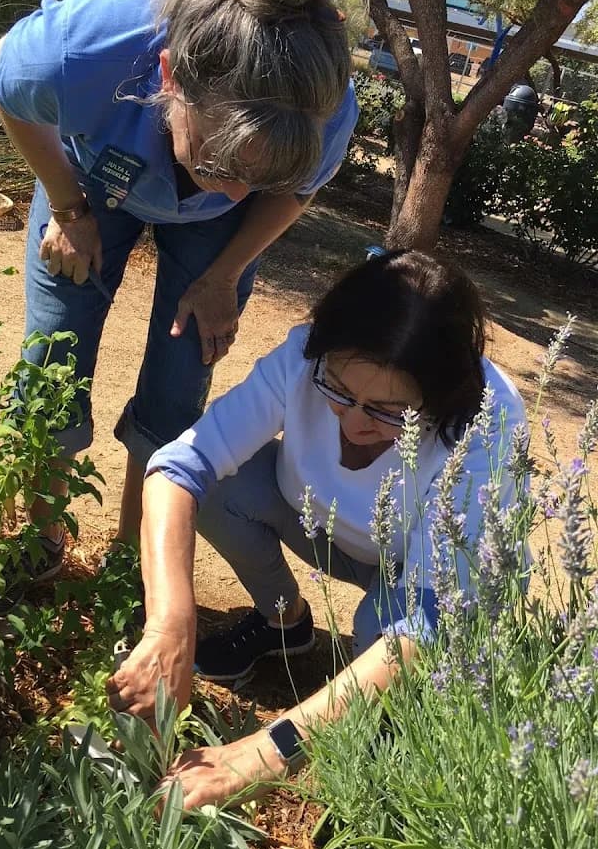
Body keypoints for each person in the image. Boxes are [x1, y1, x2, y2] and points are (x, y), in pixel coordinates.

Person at [0, 0, 358, 583]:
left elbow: (291, 192)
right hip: (93, 174)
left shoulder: (321, 101)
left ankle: (132, 560)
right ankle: (38, 541)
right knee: (54, 352)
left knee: (182, 370)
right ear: (168, 76)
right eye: (221, 164)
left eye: (259, 175)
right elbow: (4, 77)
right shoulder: (92, 41)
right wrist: (67, 207)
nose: (239, 191)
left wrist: (226, 272)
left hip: (209, 236)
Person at [106, 250, 527, 809]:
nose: (354, 422)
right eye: (339, 390)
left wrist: (263, 750)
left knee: (384, 656)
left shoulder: (489, 422)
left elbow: (426, 622)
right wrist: (170, 626)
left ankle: (377, 769)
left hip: (426, 585)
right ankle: (284, 624)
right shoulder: (304, 355)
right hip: (319, 522)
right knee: (218, 490)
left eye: (389, 411)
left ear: (440, 395)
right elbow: (178, 469)